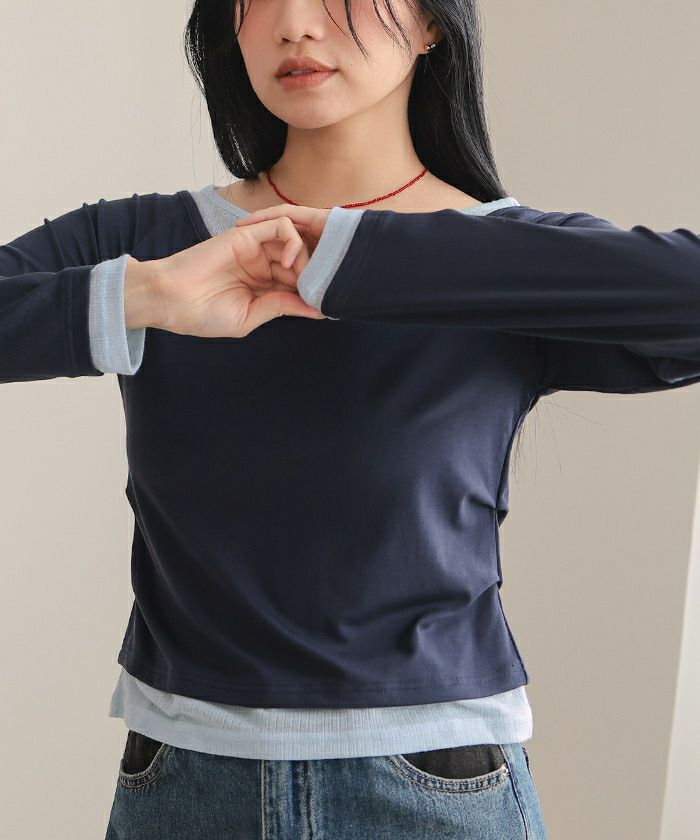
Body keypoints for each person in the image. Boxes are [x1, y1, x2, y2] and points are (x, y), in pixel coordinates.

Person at [4, 1, 700, 838]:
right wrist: (149, 294)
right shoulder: (153, 242)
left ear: (434, 23)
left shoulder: (498, 263)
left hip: (434, 787)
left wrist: (368, 254)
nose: (295, 24)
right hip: (181, 784)